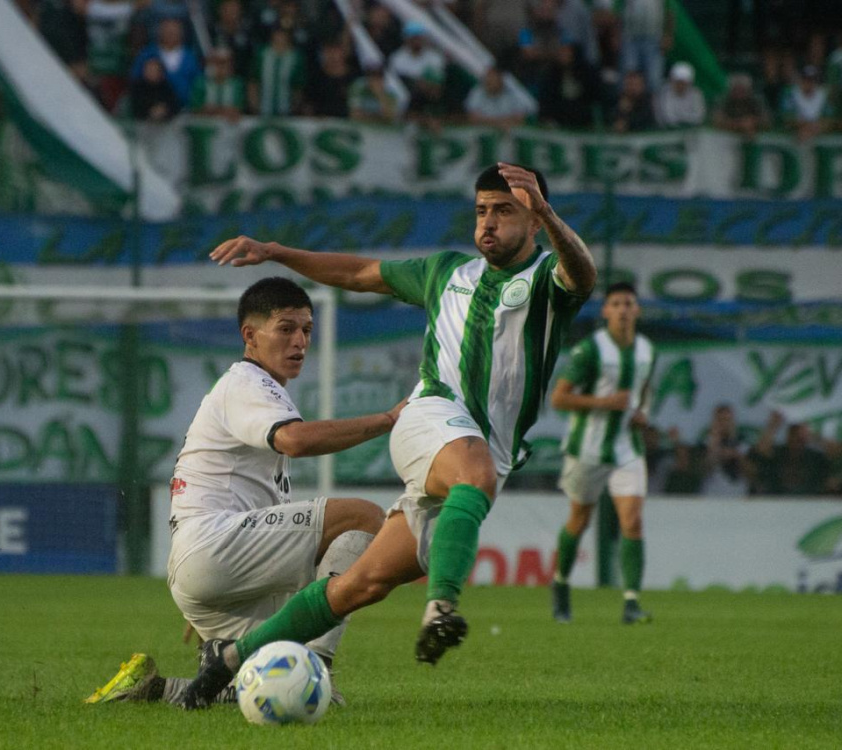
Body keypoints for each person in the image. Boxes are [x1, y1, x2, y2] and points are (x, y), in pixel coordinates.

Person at [176, 161, 596, 708]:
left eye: (504, 211)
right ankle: (442, 608)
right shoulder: (447, 272)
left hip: (480, 451)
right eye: (481, 211)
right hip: (430, 416)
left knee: (362, 584)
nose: (488, 223)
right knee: (475, 474)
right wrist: (279, 251)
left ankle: (226, 663)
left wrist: (549, 211)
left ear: (534, 221)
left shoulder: (546, 280)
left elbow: (583, 274)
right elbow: (357, 273)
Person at [84, 277, 402, 705]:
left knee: (258, 675)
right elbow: (296, 441)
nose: (300, 341)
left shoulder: (255, 391)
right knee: (363, 518)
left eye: (306, 329)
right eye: (286, 328)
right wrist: (386, 419)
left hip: (211, 568)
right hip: (216, 548)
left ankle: (157, 691)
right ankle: (316, 668)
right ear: (250, 336)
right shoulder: (249, 383)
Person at [549, 281, 656, 625]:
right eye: (617, 304)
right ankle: (561, 587)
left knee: (633, 521)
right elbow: (560, 398)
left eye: (629, 303)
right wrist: (604, 403)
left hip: (627, 448)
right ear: (606, 311)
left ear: (637, 310)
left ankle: (631, 603)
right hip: (588, 448)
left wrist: (643, 413)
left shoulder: (646, 350)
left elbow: (644, 389)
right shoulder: (590, 350)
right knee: (579, 520)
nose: (624, 309)